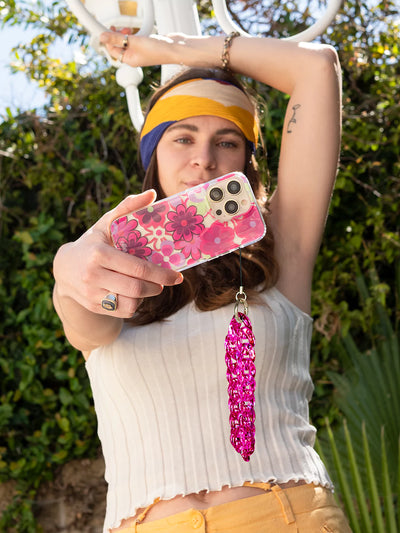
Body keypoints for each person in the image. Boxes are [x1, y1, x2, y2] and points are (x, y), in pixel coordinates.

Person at [53, 28, 351, 533]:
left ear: (246, 162)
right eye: (183, 136)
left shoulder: (283, 246)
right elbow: (87, 325)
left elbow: (316, 68)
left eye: (226, 141)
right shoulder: (106, 261)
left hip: (287, 516)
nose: (203, 158)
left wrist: (165, 49)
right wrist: (67, 273)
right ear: (154, 153)